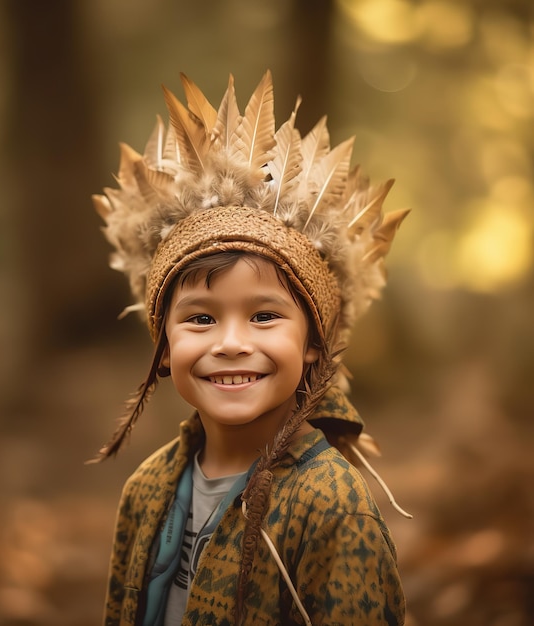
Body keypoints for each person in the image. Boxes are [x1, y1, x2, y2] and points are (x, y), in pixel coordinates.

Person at [91, 71, 411, 626]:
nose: (232, 343)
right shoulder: (145, 491)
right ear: (163, 346)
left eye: (265, 316)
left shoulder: (332, 508)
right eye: (200, 319)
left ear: (314, 342)